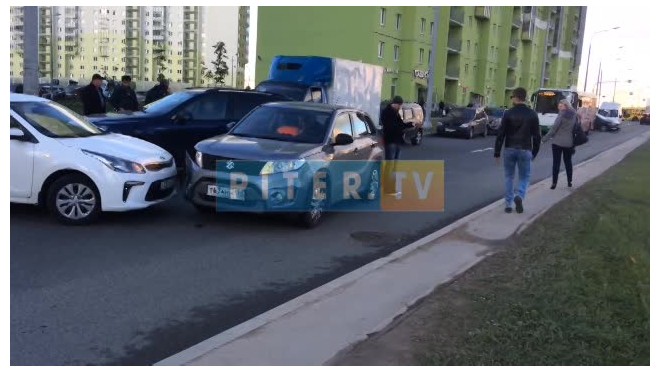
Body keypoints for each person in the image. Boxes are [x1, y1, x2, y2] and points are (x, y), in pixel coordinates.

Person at [494, 87, 541, 214]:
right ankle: (519, 195)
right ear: (525, 98)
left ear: (515, 98)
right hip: (525, 149)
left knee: (509, 176)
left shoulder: (508, 113)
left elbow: (501, 134)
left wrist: (497, 152)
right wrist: (535, 152)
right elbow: (537, 136)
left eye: (512, 97)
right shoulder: (532, 114)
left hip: (509, 148)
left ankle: (508, 205)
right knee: (524, 177)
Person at [542, 99, 576, 189]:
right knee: (568, 162)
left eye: (561, 105)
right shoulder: (574, 115)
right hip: (569, 142)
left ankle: (554, 183)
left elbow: (554, 129)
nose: (559, 107)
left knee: (556, 163)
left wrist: (544, 139)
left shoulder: (561, 114)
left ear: (565, 106)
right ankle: (569, 181)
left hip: (557, 142)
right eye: (559, 105)